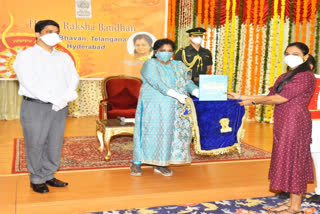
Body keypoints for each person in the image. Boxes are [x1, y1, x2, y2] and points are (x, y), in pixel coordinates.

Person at [227, 42, 316, 214]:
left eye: (295, 54)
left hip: (295, 121)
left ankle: (295, 206)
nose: (290, 56)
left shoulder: (305, 75)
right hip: (285, 120)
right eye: (287, 53)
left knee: (294, 160)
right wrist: (241, 96)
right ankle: (291, 202)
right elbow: (270, 95)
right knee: (286, 158)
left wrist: (252, 100)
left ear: (305, 56)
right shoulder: (287, 75)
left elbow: (280, 98)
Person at [13, 20, 79, 193]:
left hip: (60, 106)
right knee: (36, 143)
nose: (53, 35)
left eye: (56, 32)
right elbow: (29, 82)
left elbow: (73, 78)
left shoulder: (63, 57)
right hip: (36, 106)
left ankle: (49, 174)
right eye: (48, 31)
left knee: (54, 143)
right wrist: (52, 98)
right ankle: (36, 178)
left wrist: (64, 98)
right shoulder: (26, 56)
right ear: (37, 34)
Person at [130, 38, 199, 177]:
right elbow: (157, 82)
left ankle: (161, 163)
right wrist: (176, 95)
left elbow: (187, 82)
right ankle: (136, 163)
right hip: (154, 105)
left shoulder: (178, 65)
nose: (166, 53)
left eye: (169, 51)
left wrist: (196, 91)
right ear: (156, 51)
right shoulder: (150, 64)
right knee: (149, 132)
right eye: (163, 51)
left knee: (168, 134)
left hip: (174, 107)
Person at [275, 56, 320, 204]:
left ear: (311, 66)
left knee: (316, 156)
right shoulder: (290, 79)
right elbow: (276, 96)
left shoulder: (316, 80)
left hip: (316, 123)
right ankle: (288, 188)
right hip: (292, 124)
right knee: (290, 155)